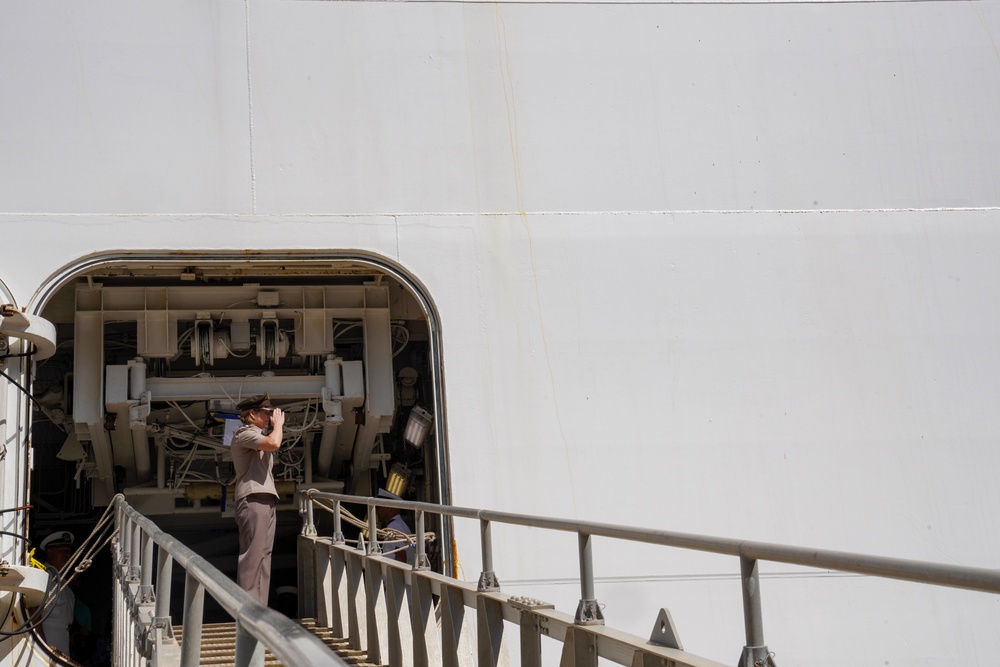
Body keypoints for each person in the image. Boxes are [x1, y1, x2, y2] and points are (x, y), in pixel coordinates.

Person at [231, 394, 284, 604]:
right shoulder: (245, 433)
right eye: (267, 413)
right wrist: (278, 425)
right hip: (253, 499)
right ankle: (248, 611)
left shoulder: (257, 436)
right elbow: (274, 443)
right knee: (253, 557)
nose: (271, 418)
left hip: (265, 500)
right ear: (252, 414)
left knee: (263, 556)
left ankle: (259, 609)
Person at [38, 531, 76, 655]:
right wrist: (42, 650)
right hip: (47, 643)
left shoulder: (64, 582)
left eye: (68, 552)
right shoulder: (45, 576)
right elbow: (34, 615)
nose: (66, 555)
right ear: (50, 552)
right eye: (62, 551)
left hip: (61, 642)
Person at [376, 489, 415, 564]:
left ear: (388, 508)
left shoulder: (395, 526)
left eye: (378, 507)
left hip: (393, 574)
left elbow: (401, 555)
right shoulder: (397, 524)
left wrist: (397, 575)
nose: (377, 511)